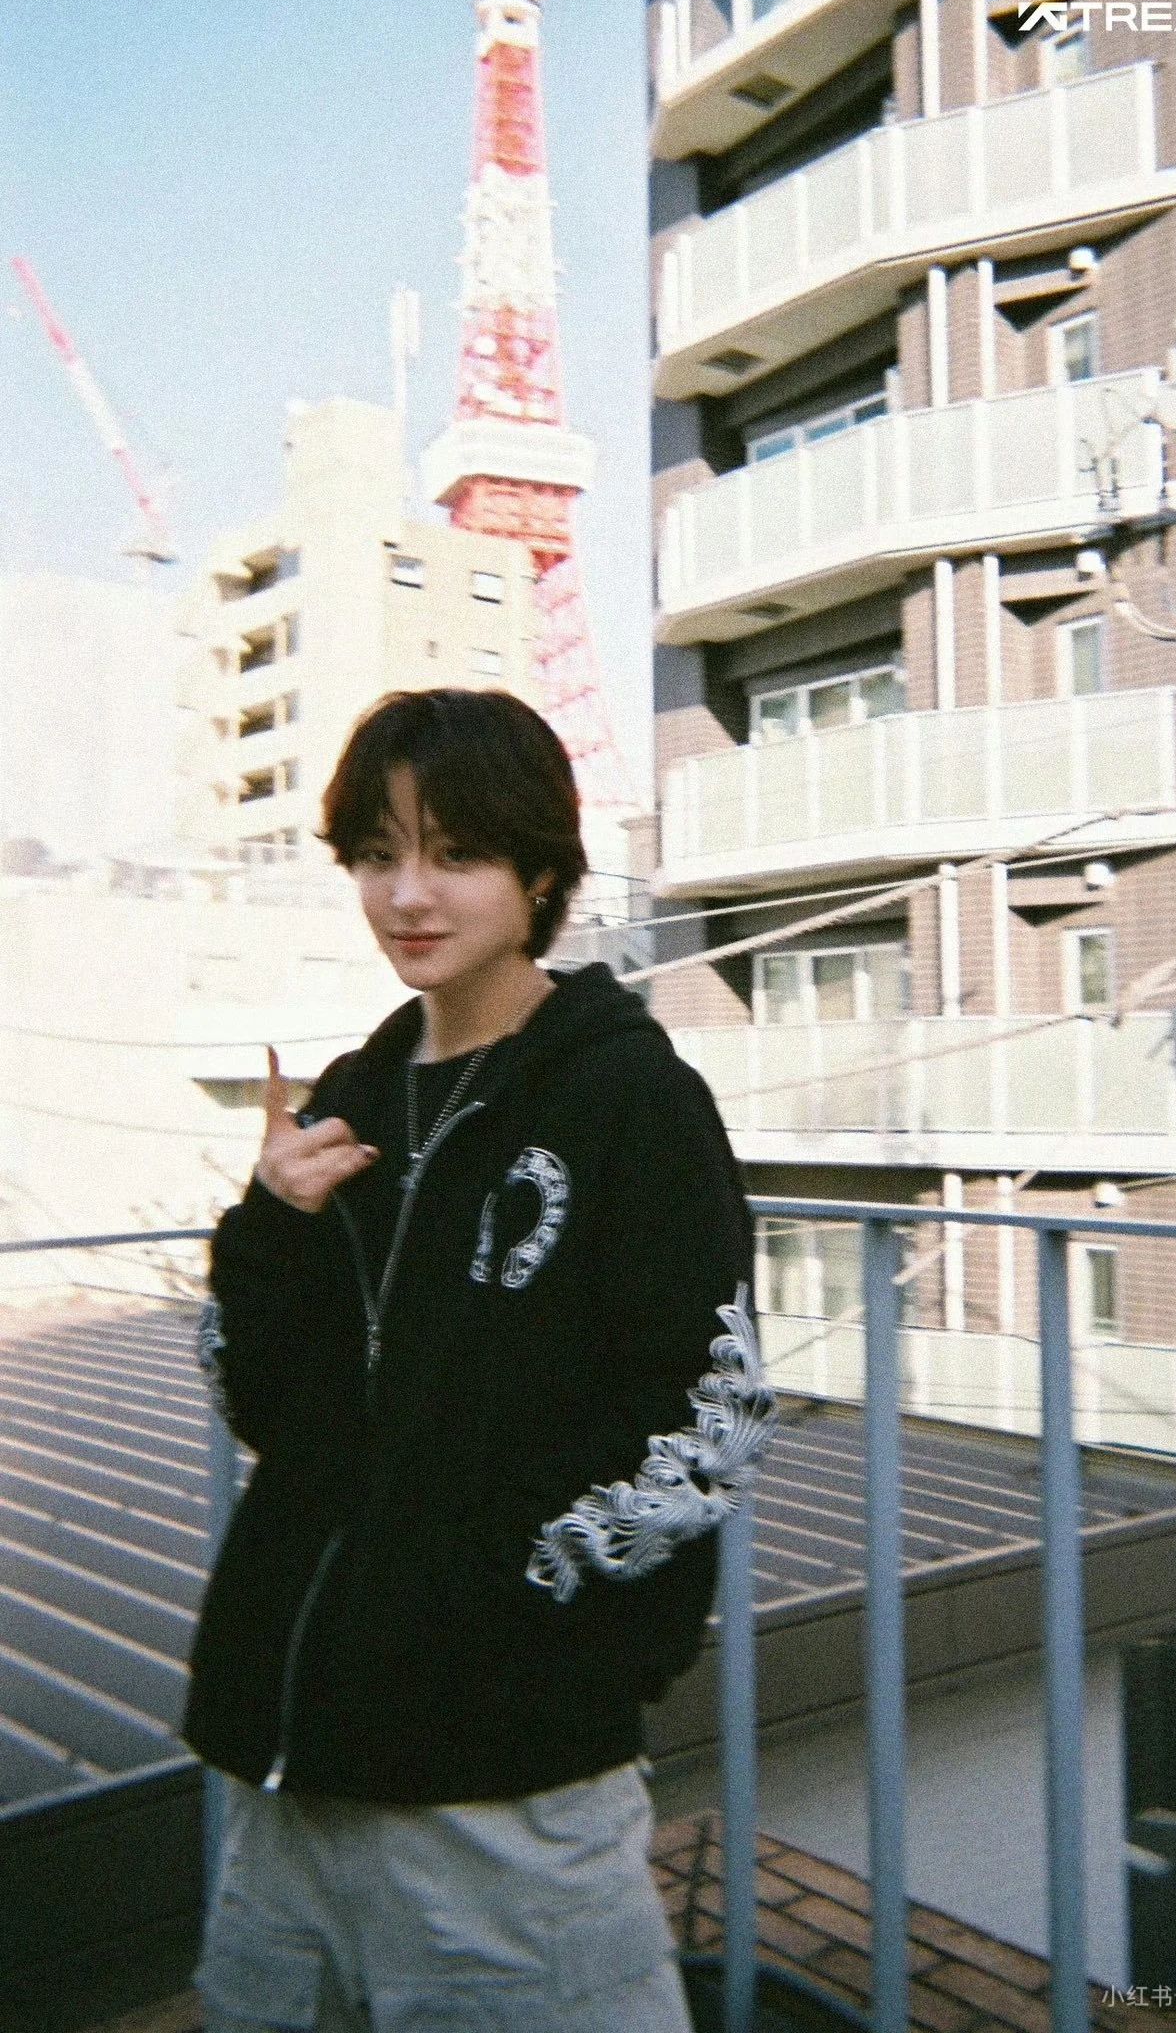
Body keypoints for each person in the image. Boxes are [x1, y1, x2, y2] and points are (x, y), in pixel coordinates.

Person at [184, 687, 775, 2033]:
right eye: (376, 853)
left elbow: (710, 1424)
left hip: (501, 1785)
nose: (408, 894)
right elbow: (265, 1408)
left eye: (454, 852)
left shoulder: (628, 1098)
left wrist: (516, 1624)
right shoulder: (355, 1095)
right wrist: (271, 1228)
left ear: (540, 870)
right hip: (292, 1766)